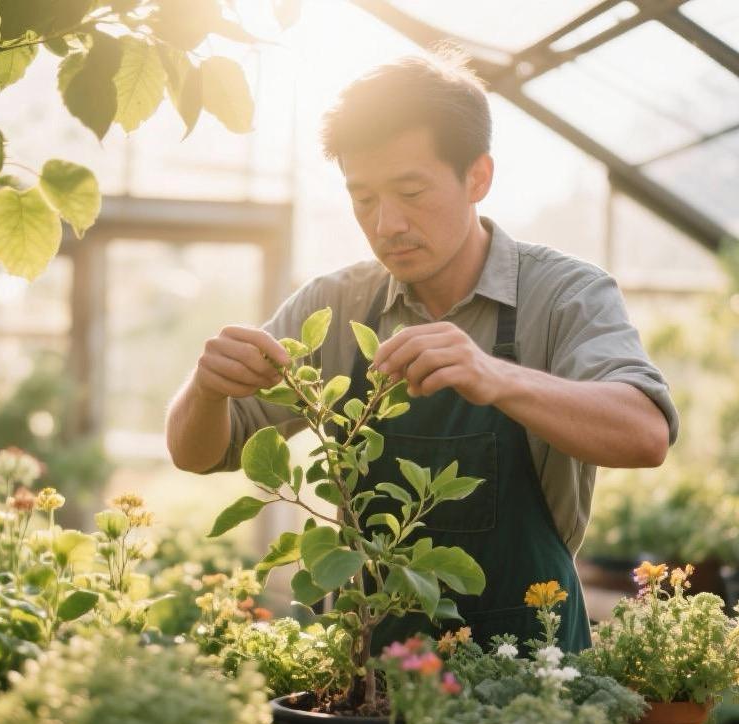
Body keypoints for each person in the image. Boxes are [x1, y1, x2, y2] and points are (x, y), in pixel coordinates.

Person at [165, 53, 678, 653]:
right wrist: (207, 389)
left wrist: (493, 377)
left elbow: (645, 434)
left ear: (478, 177)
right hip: (371, 665)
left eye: (411, 191)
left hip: (532, 664)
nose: (387, 224)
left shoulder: (564, 295)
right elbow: (201, 453)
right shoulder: (337, 305)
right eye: (363, 198)